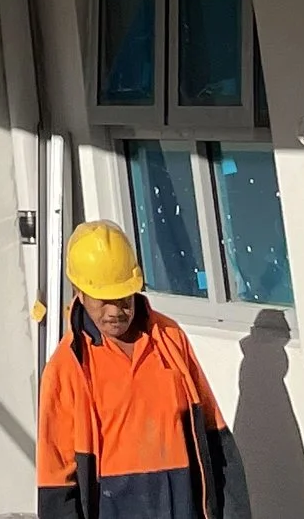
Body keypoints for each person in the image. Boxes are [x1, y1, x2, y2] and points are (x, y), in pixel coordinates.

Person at [37, 221, 252, 518]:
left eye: (123, 299)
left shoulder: (170, 339)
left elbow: (214, 438)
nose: (115, 311)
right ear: (79, 291)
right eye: (104, 301)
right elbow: (55, 480)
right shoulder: (66, 369)